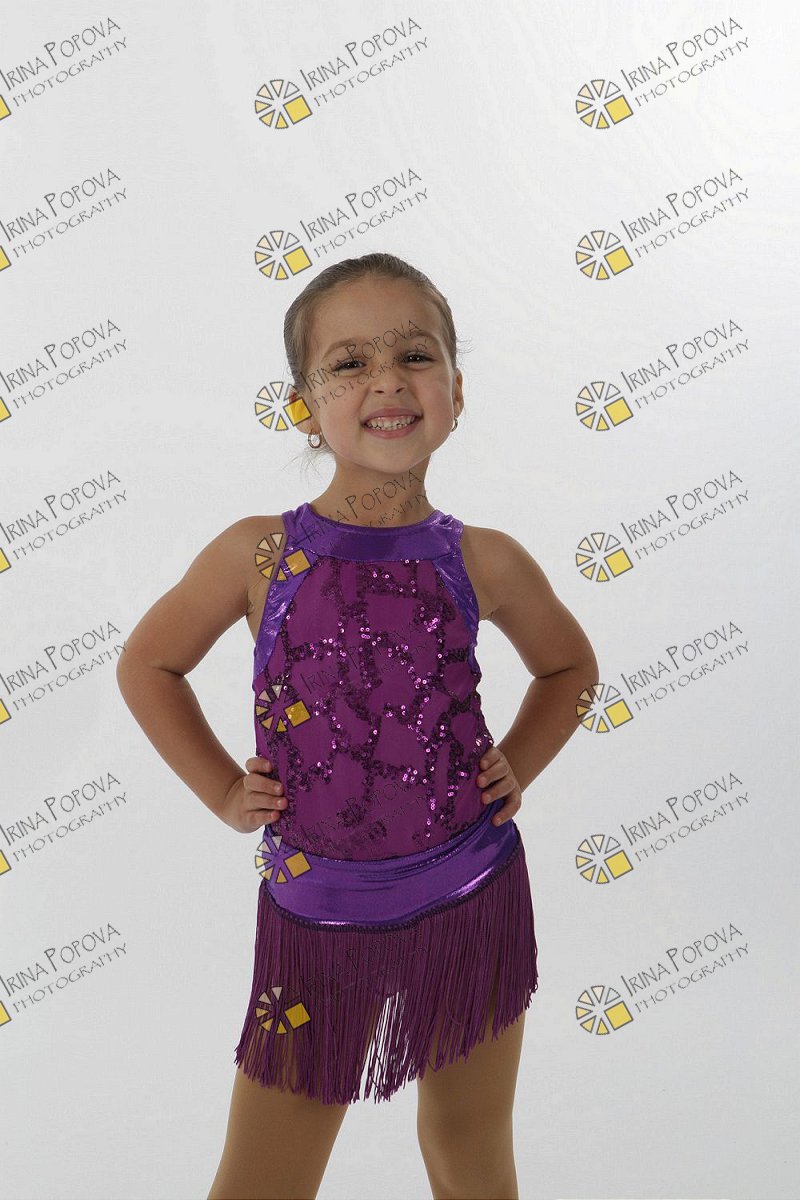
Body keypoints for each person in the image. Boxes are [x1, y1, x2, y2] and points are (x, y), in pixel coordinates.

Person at [116, 252, 599, 1200]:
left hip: (473, 895)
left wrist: (519, 763)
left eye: (416, 355)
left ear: (457, 390)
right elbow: (149, 665)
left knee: (470, 1150)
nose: (387, 380)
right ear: (304, 406)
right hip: (318, 917)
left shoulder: (485, 558)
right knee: (263, 1179)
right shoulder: (261, 552)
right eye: (348, 364)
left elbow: (571, 669)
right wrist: (223, 791)